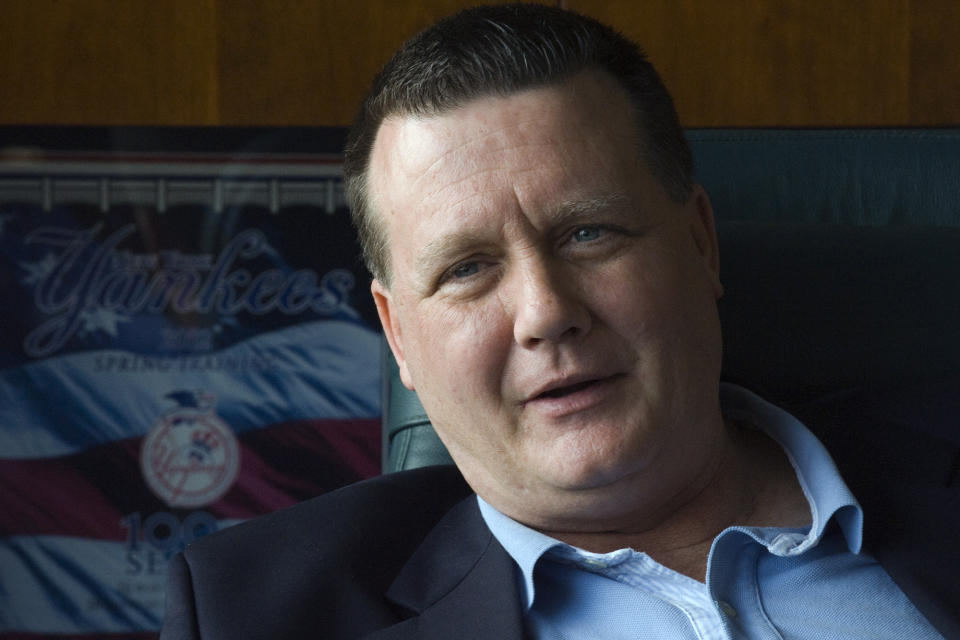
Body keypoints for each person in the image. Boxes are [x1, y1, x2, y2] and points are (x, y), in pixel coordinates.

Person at [159, 5, 959, 639]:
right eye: (467, 269)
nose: (546, 313)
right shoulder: (257, 616)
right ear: (398, 335)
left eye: (588, 234)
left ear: (698, 244)